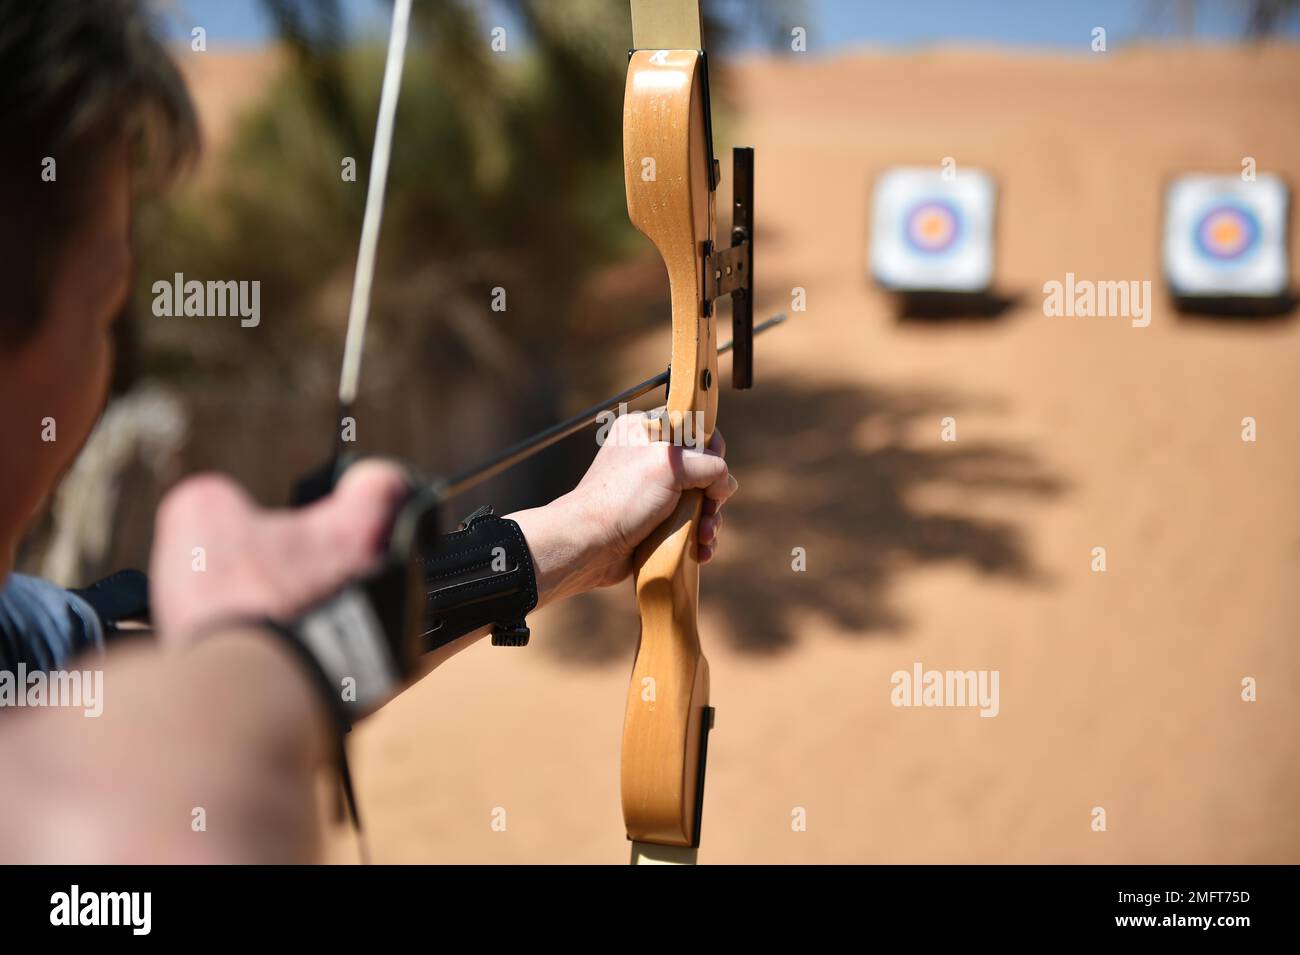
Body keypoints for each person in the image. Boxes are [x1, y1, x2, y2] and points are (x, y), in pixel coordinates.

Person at [0, 0, 735, 862]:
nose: (110, 372)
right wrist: (263, 669)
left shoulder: (25, 638)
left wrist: (583, 529)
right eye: (104, 308)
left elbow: (146, 671)